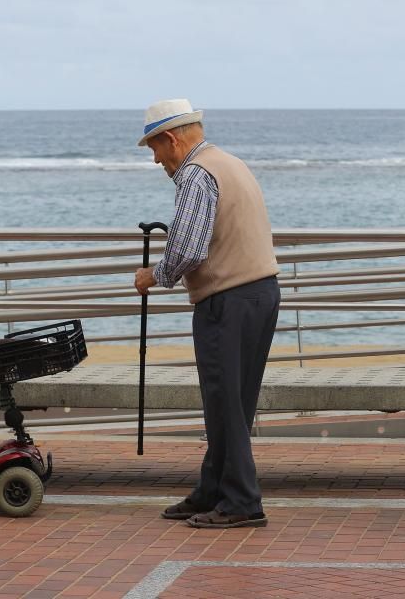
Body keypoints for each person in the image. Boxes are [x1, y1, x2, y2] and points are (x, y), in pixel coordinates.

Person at [134, 98, 281, 529]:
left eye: (154, 149)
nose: (157, 160)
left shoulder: (196, 175)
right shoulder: (229, 162)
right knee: (234, 401)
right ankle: (213, 488)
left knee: (224, 404)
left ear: (171, 139)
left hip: (228, 299)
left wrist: (153, 276)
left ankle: (241, 501)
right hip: (260, 293)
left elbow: (189, 250)